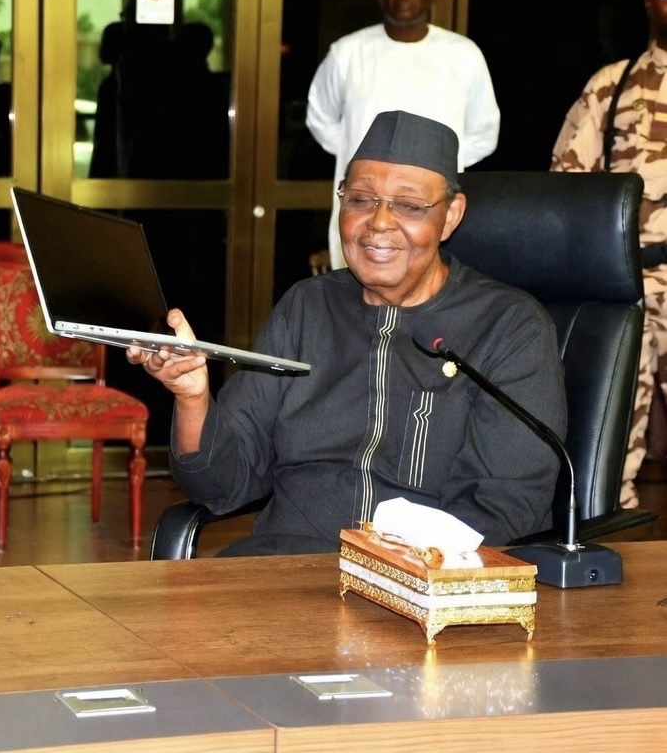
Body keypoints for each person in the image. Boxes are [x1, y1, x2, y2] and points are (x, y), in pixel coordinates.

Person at [129, 110, 564, 556]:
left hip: (424, 576)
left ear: (450, 215)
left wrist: (391, 567)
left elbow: (506, 504)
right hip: (284, 566)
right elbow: (222, 484)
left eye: (409, 205)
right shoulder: (307, 308)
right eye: (360, 200)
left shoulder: (508, 326)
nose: (379, 222)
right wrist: (193, 398)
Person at [550, 0, 667, 510]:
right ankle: (610, 535)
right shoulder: (612, 86)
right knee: (612, 434)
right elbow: (568, 189)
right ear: (648, 1)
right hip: (629, 285)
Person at [306, 0, 500, 270]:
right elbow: (320, 118)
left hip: (430, 203)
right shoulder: (348, 53)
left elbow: (484, 131)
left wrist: (434, 165)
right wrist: (360, 154)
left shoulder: (463, 55)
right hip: (365, 204)